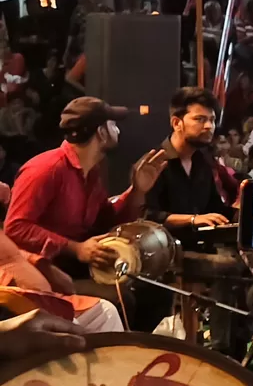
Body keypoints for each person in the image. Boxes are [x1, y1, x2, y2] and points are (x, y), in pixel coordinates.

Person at [3, 96, 166, 283]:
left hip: (74, 266)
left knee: (152, 286)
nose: (118, 130)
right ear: (101, 133)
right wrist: (75, 248)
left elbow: (107, 220)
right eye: (113, 124)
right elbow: (15, 227)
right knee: (123, 300)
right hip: (43, 273)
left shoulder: (92, 172)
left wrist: (137, 191)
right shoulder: (46, 169)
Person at [143, 87, 234, 236]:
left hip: (205, 244)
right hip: (170, 251)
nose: (209, 126)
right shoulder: (155, 162)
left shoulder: (203, 160)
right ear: (177, 123)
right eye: (200, 119)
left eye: (212, 120)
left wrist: (244, 214)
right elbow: (146, 216)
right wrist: (192, 219)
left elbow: (216, 208)